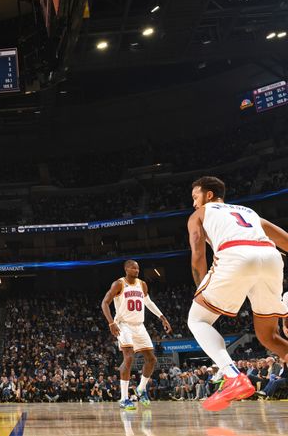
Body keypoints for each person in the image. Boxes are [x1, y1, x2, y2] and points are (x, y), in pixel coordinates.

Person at [187, 176, 288, 411]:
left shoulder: (200, 214)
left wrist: (201, 288)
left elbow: (198, 252)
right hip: (271, 258)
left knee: (198, 319)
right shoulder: (249, 212)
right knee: (269, 337)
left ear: (208, 195)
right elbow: (284, 239)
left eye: (195, 197)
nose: (193, 204)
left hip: (235, 255)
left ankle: (232, 376)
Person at [101, 260, 172, 410]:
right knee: (129, 357)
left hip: (139, 326)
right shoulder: (118, 284)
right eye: (133, 267)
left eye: (138, 268)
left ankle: (141, 389)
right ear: (126, 269)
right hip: (123, 324)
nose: (136, 270)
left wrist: (162, 317)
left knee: (151, 359)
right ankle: (124, 399)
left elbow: (149, 302)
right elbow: (105, 303)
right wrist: (111, 323)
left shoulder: (142, 284)